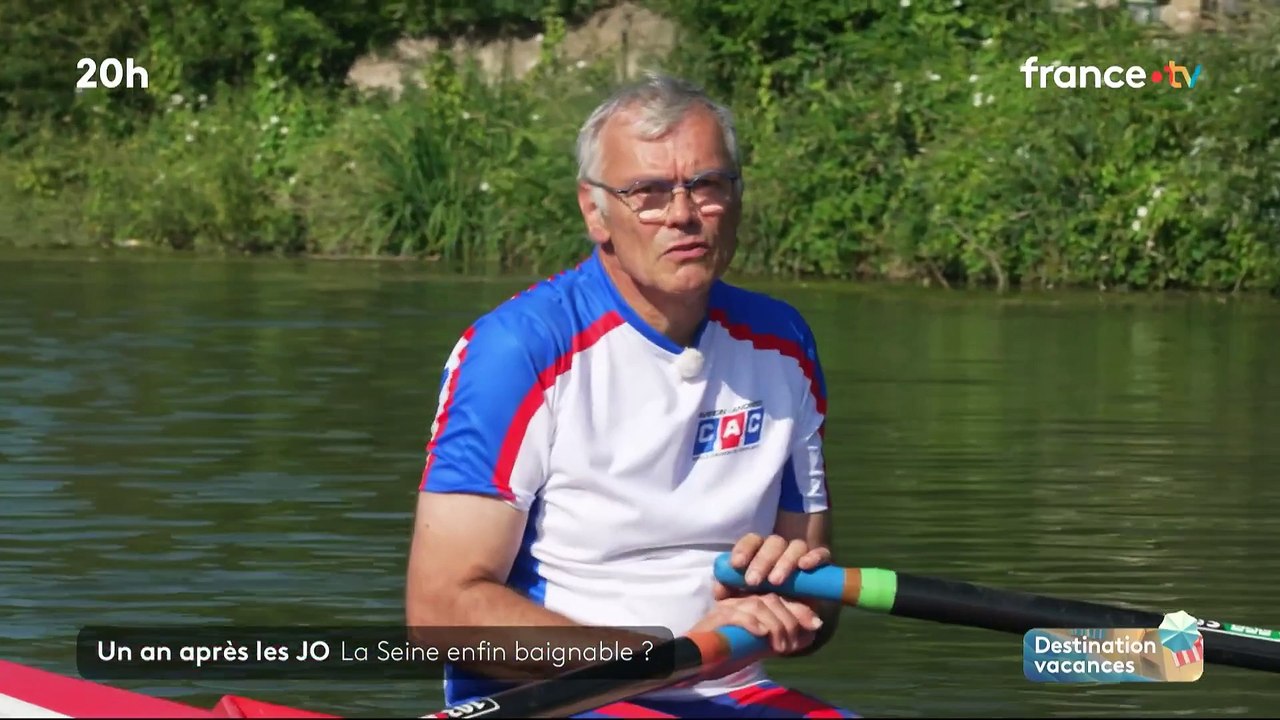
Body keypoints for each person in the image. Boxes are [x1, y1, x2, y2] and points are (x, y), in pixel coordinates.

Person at [406, 72, 856, 718]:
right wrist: (670, 655)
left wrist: (792, 597)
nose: (682, 214)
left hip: (734, 691)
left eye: (707, 185)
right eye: (648, 193)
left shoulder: (784, 343)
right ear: (596, 212)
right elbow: (441, 611)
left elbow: (818, 609)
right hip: (553, 699)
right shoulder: (517, 351)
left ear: (737, 197)